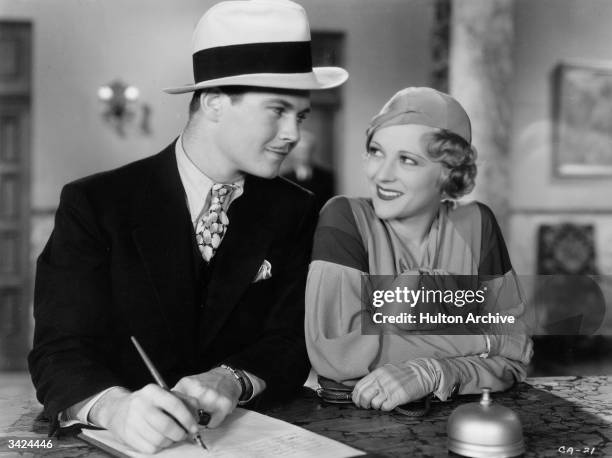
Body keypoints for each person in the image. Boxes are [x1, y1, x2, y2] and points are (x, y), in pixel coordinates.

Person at [28, 0, 347, 453]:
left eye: (300, 116)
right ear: (215, 103)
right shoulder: (95, 204)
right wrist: (114, 408)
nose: (293, 133)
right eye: (277, 110)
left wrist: (234, 379)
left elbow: (293, 340)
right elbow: (58, 351)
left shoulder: (296, 210)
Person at [305, 87, 532, 411]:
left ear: (449, 172)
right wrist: (484, 342)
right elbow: (338, 356)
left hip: (460, 410)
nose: (381, 174)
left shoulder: (477, 224)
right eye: (376, 151)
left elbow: (515, 357)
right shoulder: (344, 218)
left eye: (407, 160)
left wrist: (437, 372)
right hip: (359, 415)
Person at [282, 130, 335, 212]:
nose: (303, 155)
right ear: (294, 153)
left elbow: (330, 205)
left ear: (312, 152)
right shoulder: (285, 178)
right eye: (300, 151)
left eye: (306, 150)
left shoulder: (327, 176)